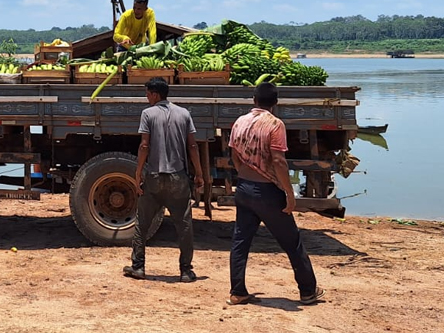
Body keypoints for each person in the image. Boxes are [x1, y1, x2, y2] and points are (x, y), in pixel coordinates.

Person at [226, 82, 324, 306]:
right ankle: (308, 290)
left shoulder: (240, 122)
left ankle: (237, 291)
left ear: (254, 100)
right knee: (292, 241)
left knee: (240, 241)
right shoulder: (275, 124)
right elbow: (279, 161)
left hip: (244, 187)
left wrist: (243, 173)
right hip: (267, 191)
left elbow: (234, 155)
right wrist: (289, 192)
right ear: (276, 103)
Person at [123, 77, 204, 282]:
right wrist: (199, 173)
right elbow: (193, 146)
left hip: (154, 176)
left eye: (148, 93)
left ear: (156, 94)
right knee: (184, 224)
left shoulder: (148, 114)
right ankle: (186, 270)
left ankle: (138, 266)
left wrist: (138, 172)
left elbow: (144, 146)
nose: (146, 97)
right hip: (178, 176)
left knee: (143, 222)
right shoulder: (184, 114)